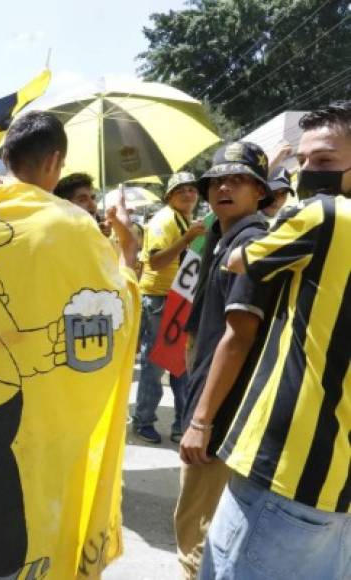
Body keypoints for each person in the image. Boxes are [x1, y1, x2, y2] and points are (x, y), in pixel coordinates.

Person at [0, 111, 140, 579]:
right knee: (9, 512)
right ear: (54, 161)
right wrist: (126, 250)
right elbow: (112, 307)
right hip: (5, 404)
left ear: (4, 156)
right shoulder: (73, 226)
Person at [201, 102, 351, 580]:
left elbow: (237, 262)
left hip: (284, 462)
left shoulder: (324, 215)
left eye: (324, 161)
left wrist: (271, 201)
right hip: (335, 478)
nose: (309, 171)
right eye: (303, 161)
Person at [173, 142, 278, 579]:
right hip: (212, 397)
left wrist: (202, 420)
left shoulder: (251, 241)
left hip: (223, 409)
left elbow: (239, 336)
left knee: (197, 535)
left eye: (238, 180)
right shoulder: (221, 237)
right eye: (216, 181)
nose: (223, 188)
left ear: (260, 192)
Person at [133, 171, 205, 444]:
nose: (189, 193)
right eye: (181, 189)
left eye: (192, 189)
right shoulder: (164, 220)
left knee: (179, 365)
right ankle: (143, 421)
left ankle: (181, 423)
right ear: (170, 196)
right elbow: (157, 262)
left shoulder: (183, 219)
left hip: (179, 299)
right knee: (155, 365)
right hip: (160, 300)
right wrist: (187, 239)